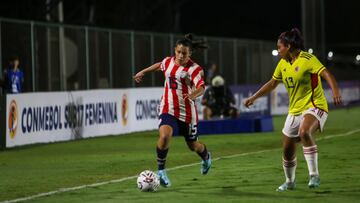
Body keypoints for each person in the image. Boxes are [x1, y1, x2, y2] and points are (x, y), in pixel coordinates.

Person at [243, 28, 342, 192]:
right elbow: (272, 83)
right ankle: (289, 181)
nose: (278, 49)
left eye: (279, 46)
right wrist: (254, 97)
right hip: (295, 110)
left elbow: (326, 73)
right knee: (287, 149)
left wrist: (335, 91)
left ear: (288, 46)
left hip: (315, 105)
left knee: (304, 132)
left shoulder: (307, 59)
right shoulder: (282, 64)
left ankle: (314, 175)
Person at [133, 34, 212, 187]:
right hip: (167, 107)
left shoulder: (194, 69)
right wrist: (143, 71)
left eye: (184, 53)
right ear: (175, 50)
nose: (181, 56)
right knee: (164, 136)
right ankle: (161, 172)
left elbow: (202, 87)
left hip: (187, 113)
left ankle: (207, 157)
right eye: (178, 52)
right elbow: (159, 65)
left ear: (190, 54)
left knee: (193, 146)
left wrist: (191, 95)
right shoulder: (168, 61)